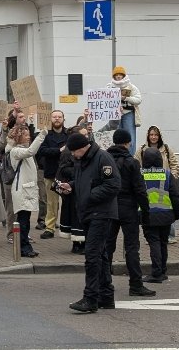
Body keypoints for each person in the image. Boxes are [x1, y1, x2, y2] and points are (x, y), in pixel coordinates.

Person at [61, 133, 121, 313]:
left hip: (101, 213)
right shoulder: (82, 160)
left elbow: (113, 184)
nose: (73, 155)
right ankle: (106, 296)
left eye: (74, 152)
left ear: (82, 147)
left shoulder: (103, 157)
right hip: (88, 212)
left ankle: (90, 298)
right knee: (100, 255)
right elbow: (84, 181)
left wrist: (89, 195)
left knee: (92, 256)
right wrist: (71, 185)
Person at [105, 129, 155, 297]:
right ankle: (135, 284)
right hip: (128, 208)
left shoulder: (104, 159)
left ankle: (104, 283)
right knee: (132, 247)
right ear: (128, 143)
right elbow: (140, 190)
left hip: (109, 207)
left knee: (107, 246)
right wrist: (146, 211)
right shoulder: (132, 163)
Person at [140, 148, 179, 284]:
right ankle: (162, 271)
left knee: (154, 242)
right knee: (163, 243)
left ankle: (156, 273)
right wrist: (178, 213)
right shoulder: (167, 174)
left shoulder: (141, 175)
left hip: (148, 215)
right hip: (166, 214)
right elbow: (175, 195)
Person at [134, 125, 179, 243]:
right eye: (151, 135)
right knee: (150, 208)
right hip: (147, 183)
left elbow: (175, 164)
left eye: (156, 135)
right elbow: (135, 164)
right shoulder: (141, 150)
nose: (153, 137)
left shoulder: (166, 148)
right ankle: (151, 234)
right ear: (148, 136)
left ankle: (170, 235)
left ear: (159, 136)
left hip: (164, 183)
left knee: (166, 206)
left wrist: (172, 177)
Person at [6, 124, 47, 258]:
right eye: (25, 135)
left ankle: (25, 246)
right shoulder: (15, 151)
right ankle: (23, 247)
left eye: (29, 134)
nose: (28, 136)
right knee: (23, 221)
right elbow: (31, 151)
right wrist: (41, 135)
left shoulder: (22, 149)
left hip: (27, 189)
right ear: (18, 137)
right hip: (22, 190)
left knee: (26, 221)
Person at [56, 125, 88, 254]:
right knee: (75, 216)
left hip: (81, 188)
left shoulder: (86, 149)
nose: (87, 137)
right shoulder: (68, 151)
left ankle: (83, 242)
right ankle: (76, 244)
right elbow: (63, 169)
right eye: (84, 135)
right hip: (72, 189)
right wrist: (79, 171)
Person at [37, 110, 67, 239]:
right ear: (50, 119)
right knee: (51, 203)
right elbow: (41, 150)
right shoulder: (46, 135)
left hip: (66, 174)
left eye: (59, 117)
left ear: (63, 119)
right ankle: (50, 228)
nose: (57, 119)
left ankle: (68, 226)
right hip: (51, 173)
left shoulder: (69, 134)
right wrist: (58, 150)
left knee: (68, 202)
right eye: (54, 117)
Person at [100, 66, 142, 155]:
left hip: (128, 113)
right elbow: (104, 100)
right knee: (116, 136)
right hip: (115, 115)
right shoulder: (109, 87)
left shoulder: (131, 86)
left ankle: (130, 156)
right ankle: (117, 156)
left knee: (129, 136)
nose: (118, 76)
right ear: (114, 76)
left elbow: (138, 100)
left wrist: (126, 98)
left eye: (120, 75)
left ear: (123, 75)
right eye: (116, 75)